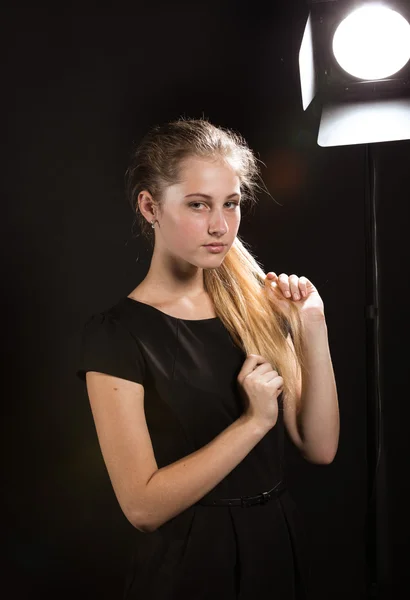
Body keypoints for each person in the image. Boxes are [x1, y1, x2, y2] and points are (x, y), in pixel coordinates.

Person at [76, 117, 315, 599]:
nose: (220, 225)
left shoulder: (254, 308)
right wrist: (252, 422)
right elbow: (142, 508)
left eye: (231, 204)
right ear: (150, 206)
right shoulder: (116, 335)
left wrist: (314, 325)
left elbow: (321, 446)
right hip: (192, 564)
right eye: (198, 204)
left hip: (278, 546)